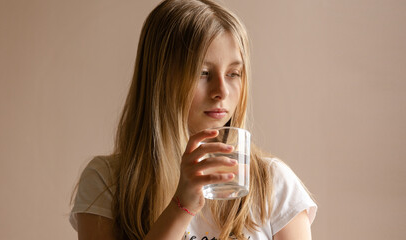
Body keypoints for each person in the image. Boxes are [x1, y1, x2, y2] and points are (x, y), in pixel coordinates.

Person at [69, 0, 317, 239]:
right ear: (160, 79)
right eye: (203, 73)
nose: (221, 90)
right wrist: (181, 206)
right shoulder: (106, 182)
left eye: (233, 73)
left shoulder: (274, 184)